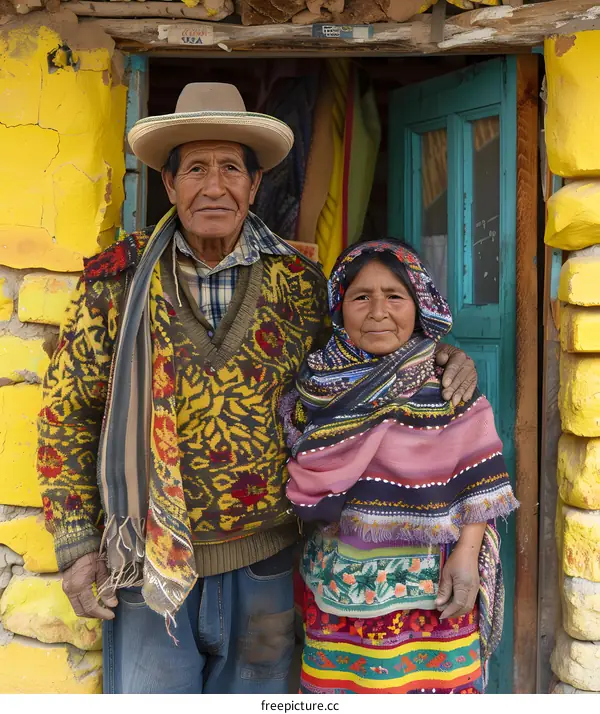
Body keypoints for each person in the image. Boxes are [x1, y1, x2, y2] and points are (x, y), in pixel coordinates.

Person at [36, 83, 479, 694]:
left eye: (229, 169)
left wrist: (443, 357)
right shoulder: (117, 281)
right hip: (146, 568)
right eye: (195, 168)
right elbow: (67, 416)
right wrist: (78, 544)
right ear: (169, 185)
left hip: (269, 566)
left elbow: (365, 361)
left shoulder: (299, 281)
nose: (213, 186)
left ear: (254, 184)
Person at [284, 239, 519, 694]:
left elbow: (480, 480)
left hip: (430, 595)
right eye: (360, 297)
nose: (378, 311)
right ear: (340, 307)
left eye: (395, 296)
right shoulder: (313, 388)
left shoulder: (446, 382)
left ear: (419, 305)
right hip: (339, 595)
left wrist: (467, 558)